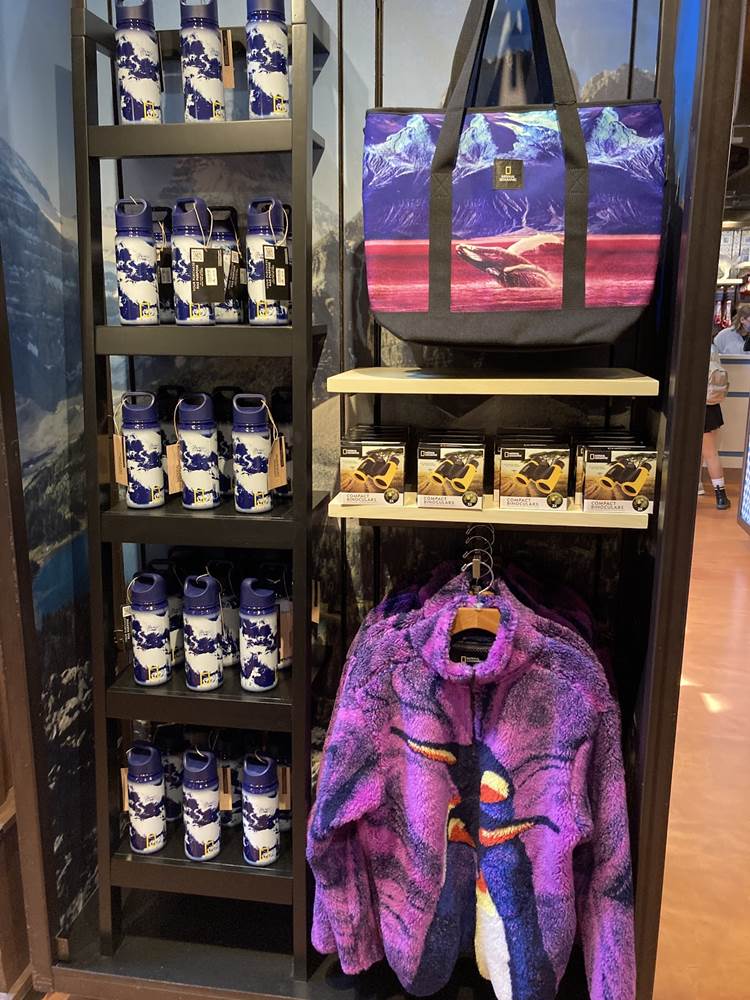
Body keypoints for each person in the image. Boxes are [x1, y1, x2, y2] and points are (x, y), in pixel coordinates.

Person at [701, 344, 731, 510]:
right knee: (711, 454)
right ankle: (721, 497)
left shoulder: (683, 345)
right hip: (710, 407)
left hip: (688, 406)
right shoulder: (712, 348)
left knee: (687, 454)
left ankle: (692, 488)